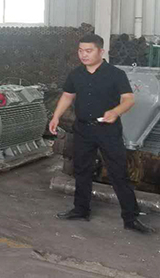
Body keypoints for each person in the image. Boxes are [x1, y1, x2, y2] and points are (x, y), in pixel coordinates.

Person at [49, 33, 154, 234]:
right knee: (82, 170)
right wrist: (55, 117)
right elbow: (68, 96)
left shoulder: (115, 74)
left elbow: (129, 99)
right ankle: (81, 210)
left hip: (108, 130)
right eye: (80, 51)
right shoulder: (76, 74)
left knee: (118, 172)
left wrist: (115, 112)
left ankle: (130, 217)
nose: (83, 55)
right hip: (83, 129)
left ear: (101, 51)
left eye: (88, 51)